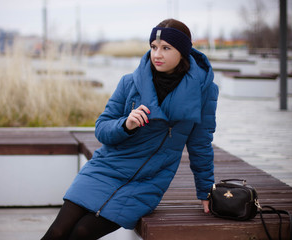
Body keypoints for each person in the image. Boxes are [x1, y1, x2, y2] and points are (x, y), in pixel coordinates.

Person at [41, 18, 218, 240]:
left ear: (182, 51)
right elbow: (101, 129)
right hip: (105, 169)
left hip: (147, 182)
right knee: (57, 231)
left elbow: (200, 144)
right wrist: (126, 124)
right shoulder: (130, 82)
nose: (157, 54)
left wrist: (205, 192)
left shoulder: (204, 91)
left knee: (82, 232)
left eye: (166, 48)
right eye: (153, 47)